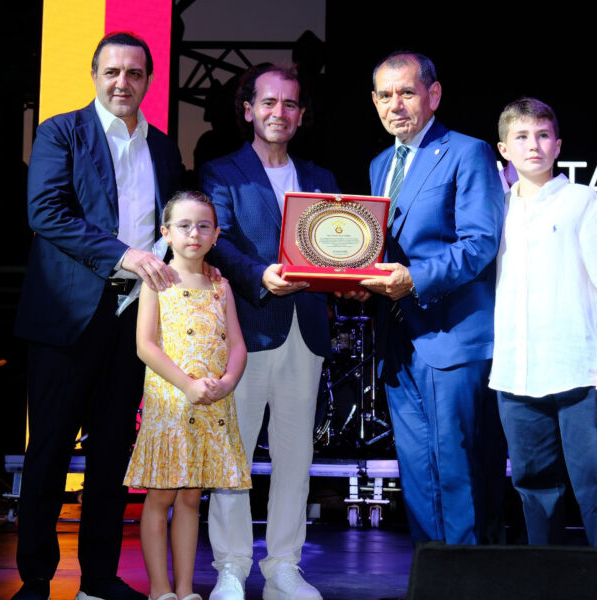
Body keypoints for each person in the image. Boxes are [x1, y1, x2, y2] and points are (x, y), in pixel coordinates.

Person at [13, 32, 183, 600]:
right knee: (49, 452)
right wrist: (124, 255)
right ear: (94, 75)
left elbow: (171, 227)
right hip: (66, 319)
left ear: (148, 81)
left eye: (134, 73)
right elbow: (45, 212)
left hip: (134, 321)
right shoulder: (61, 132)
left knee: (113, 457)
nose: (122, 83)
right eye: (112, 72)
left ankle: (99, 579)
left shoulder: (164, 149)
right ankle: (36, 579)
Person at [199, 64, 337, 600]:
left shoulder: (321, 178)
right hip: (245, 330)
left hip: (306, 330)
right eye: (269, 102)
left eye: (290, 104)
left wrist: (351, 277)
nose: (280, 112)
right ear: (249, 110)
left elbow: (338, 246)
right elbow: (219, 241)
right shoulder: (221, 172)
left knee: (295, 457)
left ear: (301, 115)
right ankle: (232, 567)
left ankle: (283, 566)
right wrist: (260, 275)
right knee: (232, 453)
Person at [362, 51, 504, 545]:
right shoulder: (381, 164)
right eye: (385, 95)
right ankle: (432, 573)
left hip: (452, 336)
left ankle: (468, 577)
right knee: (417, 472)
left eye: (407, 92)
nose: (395, 105)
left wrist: (415, 279)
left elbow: (480, 243)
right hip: (397, 339)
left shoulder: (468, 152)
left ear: (433, 94)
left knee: (457, 471)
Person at [490, 98, 597, 547]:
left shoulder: (582, 202)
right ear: (504, 149)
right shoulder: (495, 209)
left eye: (543, 135)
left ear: (558, 145)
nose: (533, 145)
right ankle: (543, 577)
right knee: (533, 488)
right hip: (516, 374)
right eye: (521, 137)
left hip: (580, 373)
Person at [124, 191, 251, 600]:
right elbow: (146, 346)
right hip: (171, 405)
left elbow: (237, 345)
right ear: (166, 233)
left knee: (191, 498)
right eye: (184, 226)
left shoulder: (220, 286)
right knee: (161, 496)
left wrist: (227, 382)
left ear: (216, 234)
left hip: (210, 407)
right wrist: (187, 385)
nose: (193, 234)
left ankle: (184, 588)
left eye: (203, 226)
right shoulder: (157, 282)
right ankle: (160, 589)